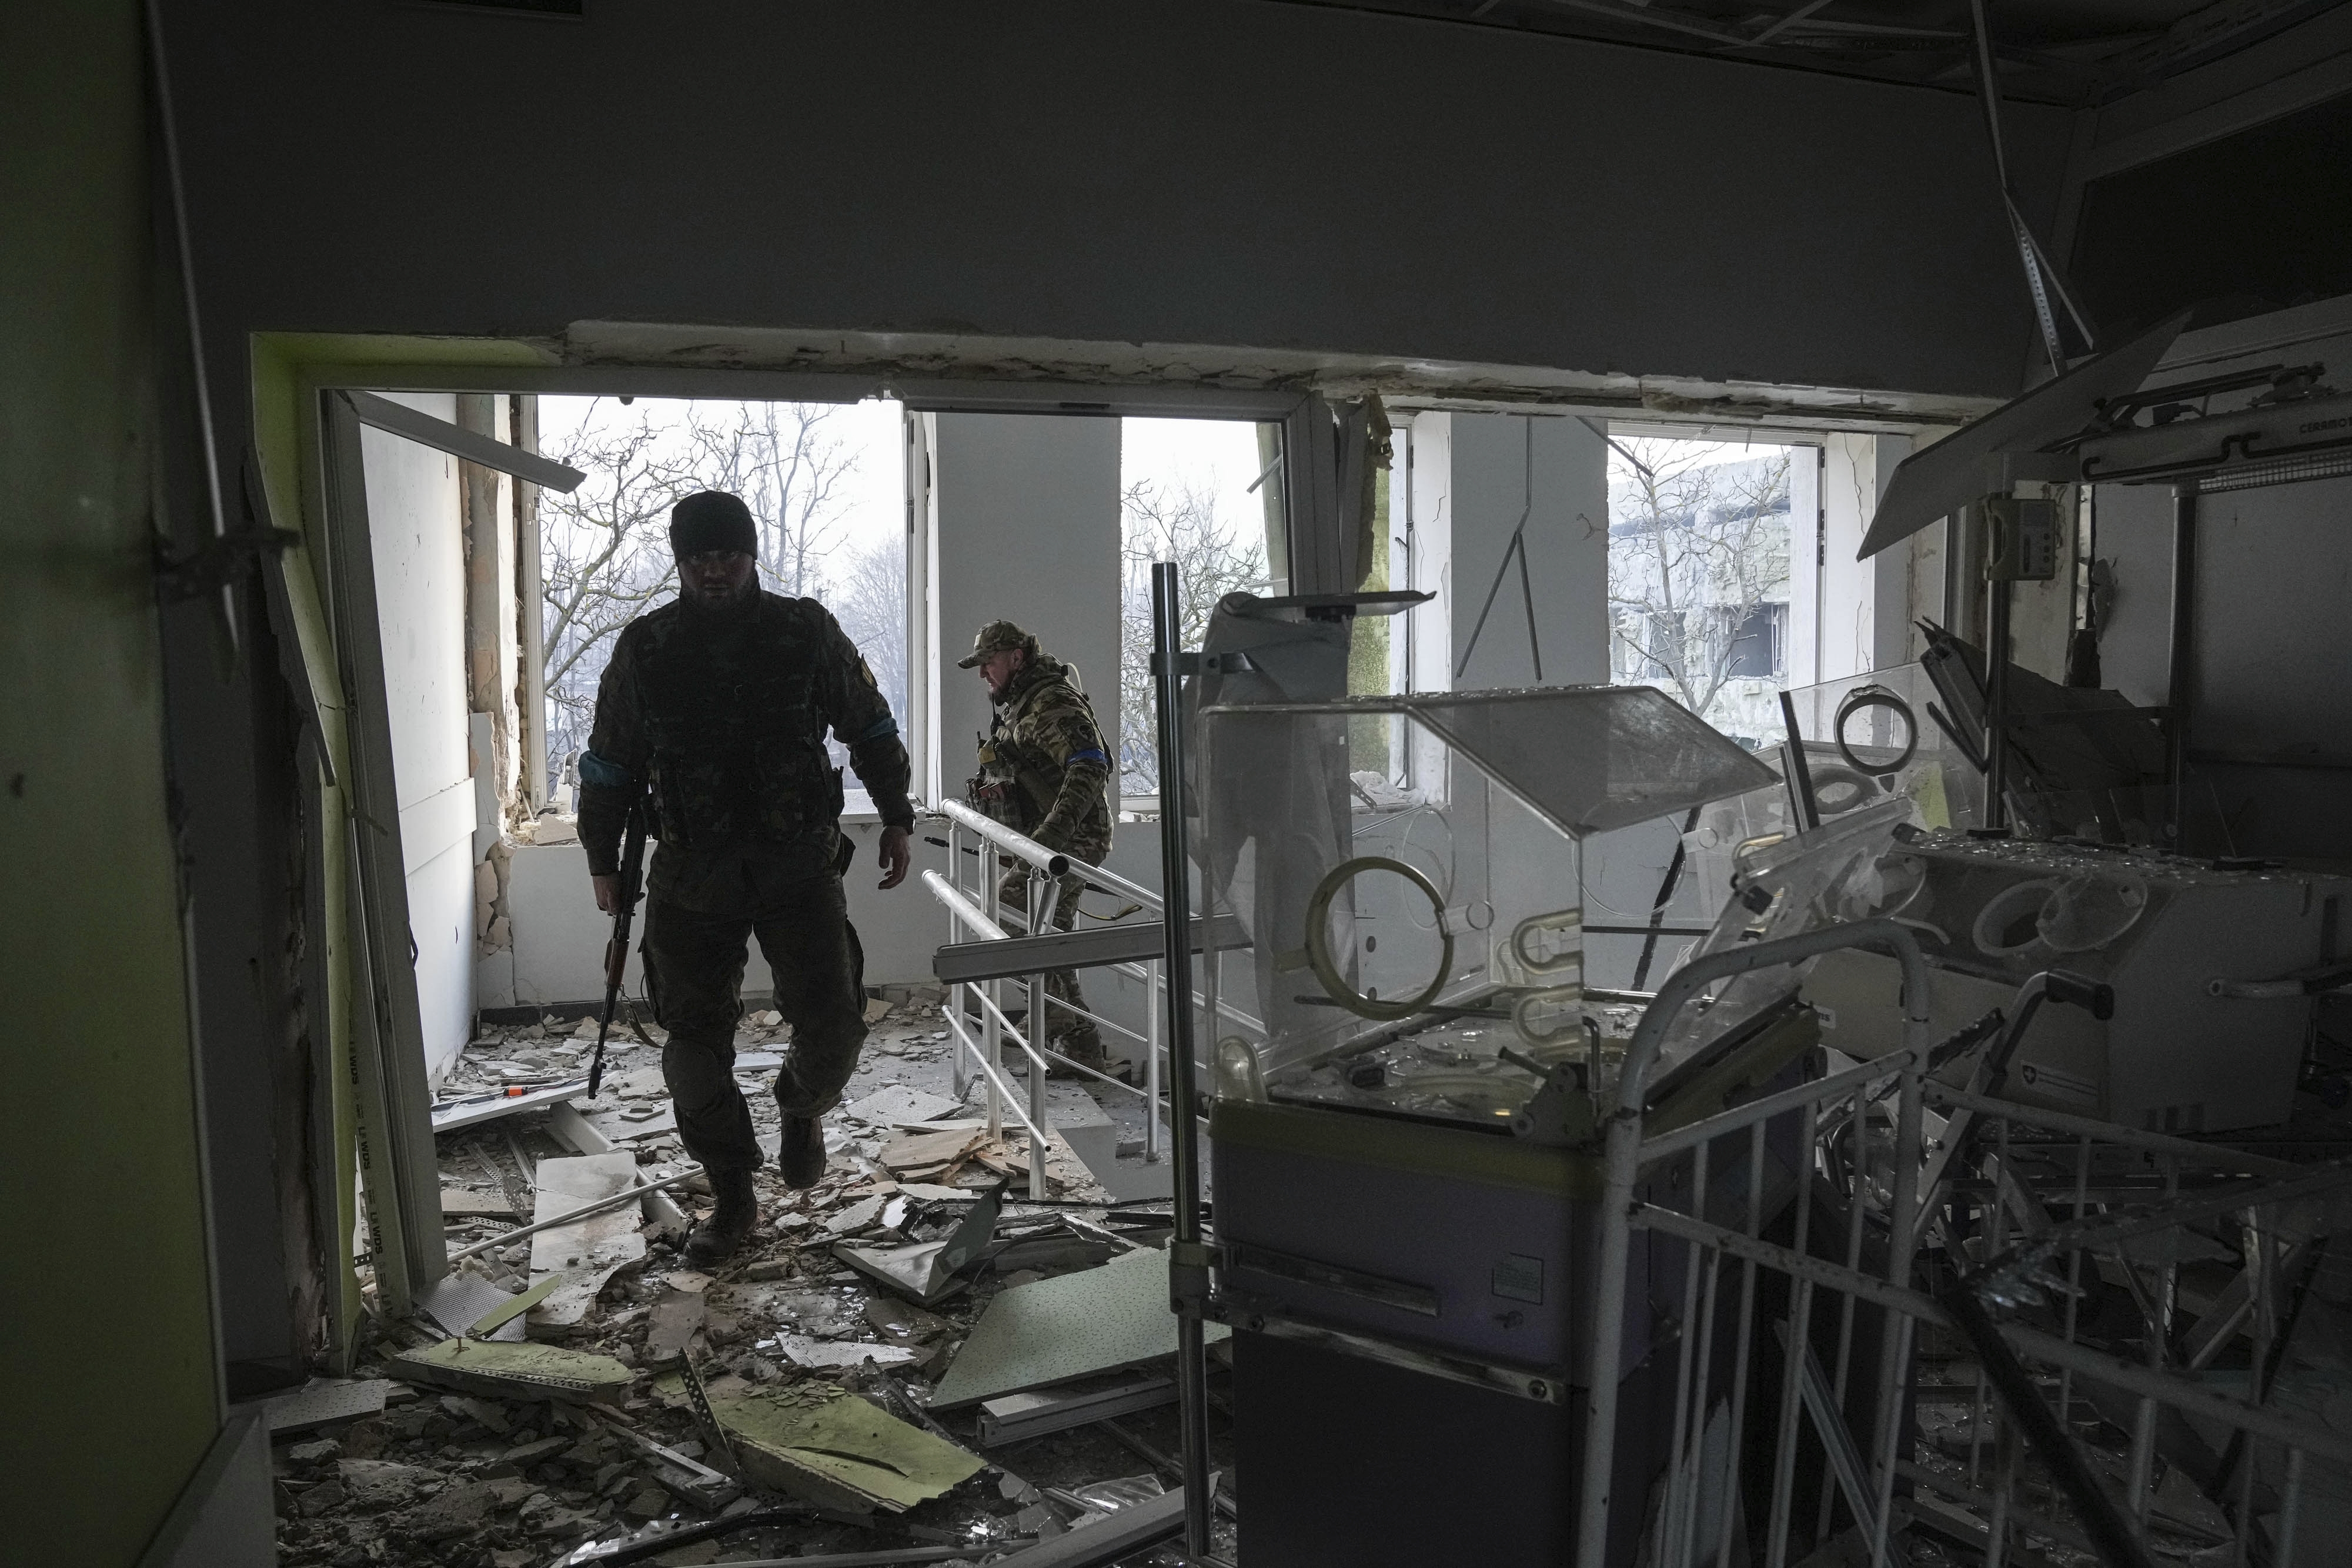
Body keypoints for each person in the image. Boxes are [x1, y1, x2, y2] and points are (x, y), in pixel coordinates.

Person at [578, 491, 913, 1267]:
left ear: (751, 552)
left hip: (797, 866)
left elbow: (868, 721)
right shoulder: (649, 648)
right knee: (691, 1051)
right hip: (693, 878)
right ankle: (732, 1192)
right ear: (680, 560)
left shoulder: (804, 632)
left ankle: (802, 1108)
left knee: (833, 1026)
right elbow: (610, 762)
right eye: (699, 557)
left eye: (728, 553)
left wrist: (897, 813)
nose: (714, 570)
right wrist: (603, 859)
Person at [961, 620, 1120, 1078]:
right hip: (1051, 840)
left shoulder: (1052, 701)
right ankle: (1082, 1047)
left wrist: (1046, 842)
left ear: (1015, 657)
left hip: (1072, 840)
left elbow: (1090, 767)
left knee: (1004, 908)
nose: (982, 674)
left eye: (988, 663)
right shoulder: (1018, 704)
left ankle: (1053, 1012)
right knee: (1051, 941)